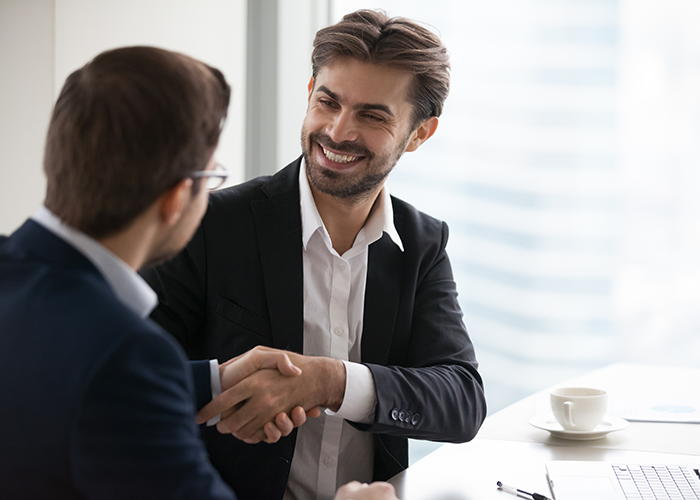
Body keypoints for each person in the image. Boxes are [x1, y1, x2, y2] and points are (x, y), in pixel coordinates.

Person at [0, 45, 398, 500]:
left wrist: (212, 380)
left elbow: (57, 377)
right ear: (175, 200)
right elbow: (111, 379)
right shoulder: (124, 351)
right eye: (211, 176)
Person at [142, 9, 487, 500]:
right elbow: (132, 383)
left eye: (372, 115)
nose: (338, 131)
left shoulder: (423, 243)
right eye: (328, 102)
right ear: (309, 94)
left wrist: (331, 381)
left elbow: (461, 400)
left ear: (419, 135)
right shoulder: (209, 224)